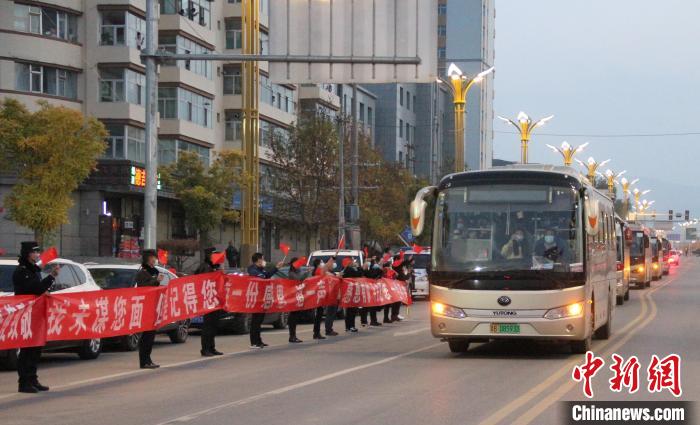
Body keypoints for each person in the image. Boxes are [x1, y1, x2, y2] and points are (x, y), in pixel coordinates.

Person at [13, 241, 60, 393]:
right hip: (26, 314)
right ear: (27, 253)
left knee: (36, 348)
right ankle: (24, 382)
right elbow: (37, 288)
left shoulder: (33, 270)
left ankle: (33, 379)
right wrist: (52, 276)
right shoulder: (22, 271)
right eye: (34, 252)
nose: (37, 254)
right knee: (26, 349)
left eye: (38, 251)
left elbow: (38, 290)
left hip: (36, 314)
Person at [246, 253, 284, 349]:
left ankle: (259, 341)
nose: (263, 261)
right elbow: (262, 277)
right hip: (256, 298)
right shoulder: (252, 269)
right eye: (262, 259)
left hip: (262, 298)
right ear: (258, 260)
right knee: (255, 321)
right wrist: (264, 274)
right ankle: (254, 342)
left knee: (259, 320)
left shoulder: (261, 269)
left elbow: (266, 275)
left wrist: (276, 268)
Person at [135, 249, 163, 369]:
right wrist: (155, 281)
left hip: (153, 306)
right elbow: (144, 287)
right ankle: (144, 361)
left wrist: (157, 281)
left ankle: (148, 359)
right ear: (147, 258)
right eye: (152, 257)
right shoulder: (142, 272)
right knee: (146, 335)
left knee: (151, 335)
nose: (154, 259)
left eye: (155, 257)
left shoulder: (153, 271)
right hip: (145, 307)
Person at [196, 247, 223, 357]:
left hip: (215, 299)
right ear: (209, 256)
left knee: (213, 325)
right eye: (213, 255)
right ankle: (205, 349)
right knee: (207, 326)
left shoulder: (215, 267)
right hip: (207, 300)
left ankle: (212, 347)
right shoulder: (204, 267)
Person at [286, 258, 307, 343]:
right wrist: (305, 273)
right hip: (293, 297)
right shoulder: (291, 273)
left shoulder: (297, 272)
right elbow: (298, 279)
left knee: (296, 316)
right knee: (293, 316)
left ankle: (293, 335)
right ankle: (292, 336)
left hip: (298, 296)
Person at [342, 259, 364, 333]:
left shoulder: (344, 270)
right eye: (352, 261)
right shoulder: (350, 269)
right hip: (352, 292)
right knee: (352, 310)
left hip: (347, 292)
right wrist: (358, 267)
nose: (353, 262)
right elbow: (359, 274)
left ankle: (348, 327)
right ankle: (351, 326)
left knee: (348, 311)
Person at [360, 261, 383, 327]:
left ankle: (373, 321)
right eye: (366, 265)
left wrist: (379, 268)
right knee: (365, 307)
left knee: (373, 306)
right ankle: (364, 321)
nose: (367, 266)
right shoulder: (362, 271)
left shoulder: (370, 270)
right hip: (365, 291)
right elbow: (371, 276)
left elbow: (378, 275)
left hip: (371, 290)